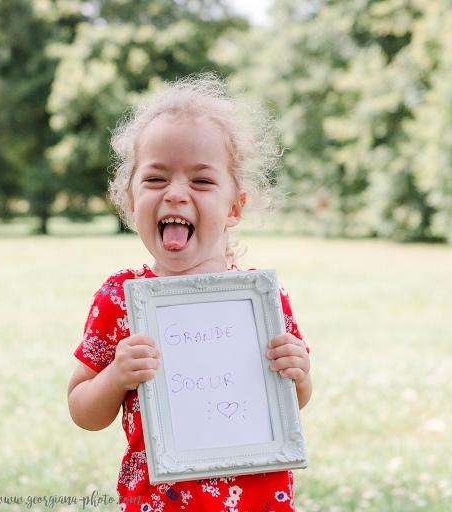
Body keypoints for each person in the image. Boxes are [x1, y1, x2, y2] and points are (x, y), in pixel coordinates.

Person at [67, 75, 313, 511]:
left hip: (259, 499)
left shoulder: (260, 300)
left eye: (201, 182)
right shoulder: (121, 298)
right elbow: (83, 409)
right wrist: (117, 376)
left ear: (235, 205)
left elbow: (292, 401)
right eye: (156, 179)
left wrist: (298, 372)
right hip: (159, 501)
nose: (176, 194)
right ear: (131, 197)